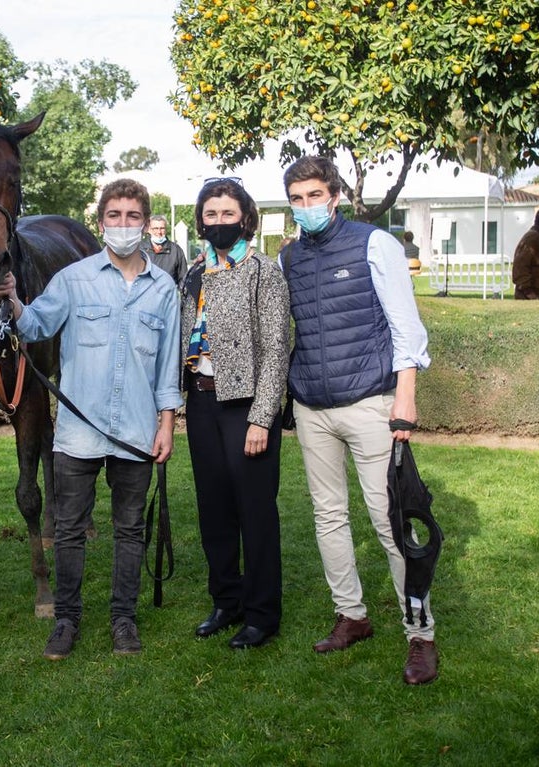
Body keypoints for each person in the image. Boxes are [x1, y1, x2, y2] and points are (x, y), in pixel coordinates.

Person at [0, 178, 181, 660]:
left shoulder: (165, 291)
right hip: (78, 434)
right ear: (101, 224)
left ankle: (124, 619)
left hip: (137, 432)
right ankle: (67, 619)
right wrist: (11, 300)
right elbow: (34, 325)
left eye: (132, 217)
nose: (123, 225)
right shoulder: (73, 280)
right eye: (114, 216)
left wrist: (166, 425)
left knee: (129, 530)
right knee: (70, 529)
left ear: (145, 222)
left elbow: (167, 369)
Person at [282, 156, 438, 685]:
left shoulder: (375, 244)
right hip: (311, 406)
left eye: (314, 196)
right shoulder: (289, 260)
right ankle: (351, 615)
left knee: (390, 521)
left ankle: (420, 633)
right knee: (328, 517)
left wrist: (405, 396)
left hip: (372, 401)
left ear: (336, 195)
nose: (307, 207)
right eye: (297, 199)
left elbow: (404, 324)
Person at [180, 179, 290, 650]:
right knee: (214, 510)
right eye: (211, 214)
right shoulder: (194, 271)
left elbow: (276, 350)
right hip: (202, 402)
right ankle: (227, 600)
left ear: (245, 217)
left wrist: (262, 417)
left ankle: (262, 613)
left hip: (245, 406)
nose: (219, 221)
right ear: (200, 220)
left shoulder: (263, 271)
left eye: (228, 214)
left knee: (255, 513)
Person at [143, 213, 188, 285]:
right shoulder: (140, 250)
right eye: (155, 228)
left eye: (162, 228)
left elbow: (183, 278)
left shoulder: (175, 250)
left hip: (169, 294)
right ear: (149, 229)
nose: (159, 232)